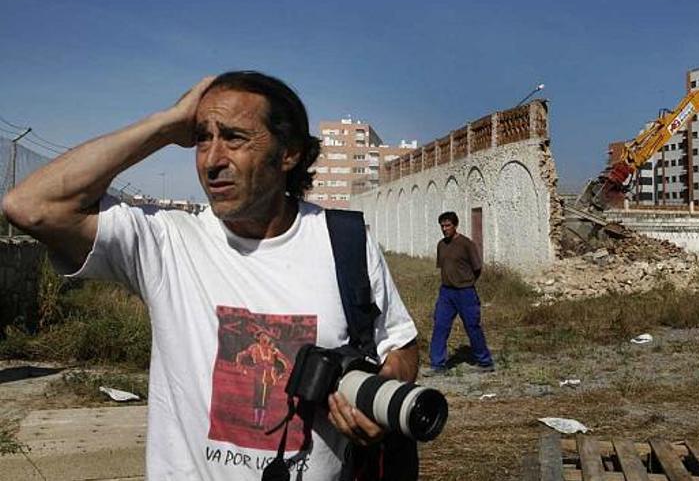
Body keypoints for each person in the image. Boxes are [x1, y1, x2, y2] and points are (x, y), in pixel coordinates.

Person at [2, 71, 419, 480]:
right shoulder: (168, 242)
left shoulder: (344, 242)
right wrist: (165, 125)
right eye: (203, 138)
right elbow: (30, 206)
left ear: (288, 153)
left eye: (234, 137)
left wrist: (378, 394)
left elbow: (399, 345)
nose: (212, 160)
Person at [426, 211, 494, 375]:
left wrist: (466, 283)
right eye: (442, 226)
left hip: (465, 292)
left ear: (455, 226)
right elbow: (443, 267)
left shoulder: (466, 244)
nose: (444, 229)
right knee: (440, 326)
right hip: (446, 293)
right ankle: (437, 365)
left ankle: (485, 361)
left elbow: (477, 268)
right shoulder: (441, 245)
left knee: (472, 326)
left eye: (448, 225)